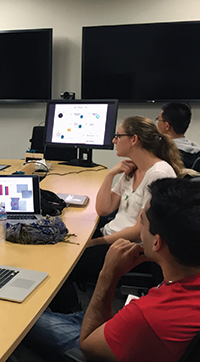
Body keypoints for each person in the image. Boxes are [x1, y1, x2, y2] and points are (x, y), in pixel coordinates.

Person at [25, 178, 200, 362]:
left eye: (142, 221)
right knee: (62, 315)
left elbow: (88, 345)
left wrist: (108, 275)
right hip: (147, 340)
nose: (139, 227)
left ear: (157, 242)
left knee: (25, 318)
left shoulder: (149, 315)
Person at [51, 116, 183, 312]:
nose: (114, 141)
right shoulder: (133, 169)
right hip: (112, 236)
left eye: (117, 136)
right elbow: (104, 209)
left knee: (62, 269)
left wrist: (96, 242)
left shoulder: (159, 174)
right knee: (59, 251)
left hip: (132, 247)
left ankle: (72, 315)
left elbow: (140, 231)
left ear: (134, 139)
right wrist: (110, 174)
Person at [156, 102, 200, 167]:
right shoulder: (194, 149)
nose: (157, 123)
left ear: (166, 126)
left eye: (158, 120)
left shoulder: (165, 154)